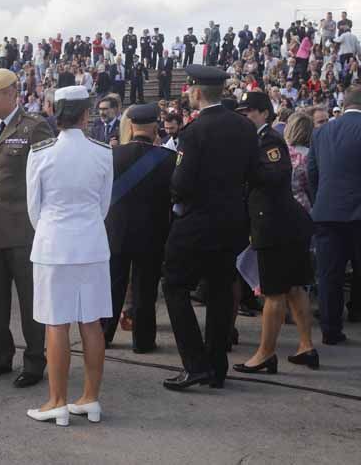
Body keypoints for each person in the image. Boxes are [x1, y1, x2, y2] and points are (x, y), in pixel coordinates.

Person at [163, 65, 259, 391]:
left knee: (175, 286)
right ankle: (217, 366)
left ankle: (195, 364)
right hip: (232, 222)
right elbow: (254, 175)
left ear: (197, 92)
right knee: (220, 292)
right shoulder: (245, 127)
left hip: (196, 224)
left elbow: (181, 183)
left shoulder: (194, 131)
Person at [25, 85, 113, 426]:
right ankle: (90, 398)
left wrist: (52, 230)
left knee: (56, 323)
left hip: (53, 245)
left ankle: (57, 401)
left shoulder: (42, 152)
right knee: (91, 323)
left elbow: (35, 208)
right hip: (91, 244)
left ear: (54, 111)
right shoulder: (103, 152)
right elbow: (103, 205)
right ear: (86, 114)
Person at [0, 68, 53, 388]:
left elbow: (49, 179)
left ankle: (35, 361)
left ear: (11, 94)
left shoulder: (36, 127)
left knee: (30, 299)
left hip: (25, 228)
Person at [232, 92, 318, 374]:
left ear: (265, 114)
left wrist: (244, 168)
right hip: (285, 223)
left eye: (250, 112)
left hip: (275, 225)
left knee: (274, 292)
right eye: (242, 111)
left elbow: (276, 173)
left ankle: (265, 354)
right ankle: (306, 346)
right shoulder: (257, 140)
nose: (245, 116)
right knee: (294, 288)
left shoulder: (267, 140)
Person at [103, 103, 176, 353]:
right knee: (146, 288)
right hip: (151, 232)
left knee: (113, 284)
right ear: (155, 126)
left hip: (117, 230)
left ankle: (103, 334)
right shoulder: (168, 159)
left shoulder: (112, 155)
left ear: (131, 126)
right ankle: (143, 341)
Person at [308, 85, 361, 343]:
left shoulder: (322, 132)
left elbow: (312, 174)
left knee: (329, 274)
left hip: (327, 212)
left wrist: (321, 200)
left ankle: (330, 329)